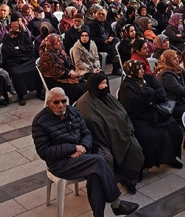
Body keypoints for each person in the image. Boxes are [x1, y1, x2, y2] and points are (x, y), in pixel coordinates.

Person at [32, 87, 140, 217]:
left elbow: (86, 133)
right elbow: (44, 151)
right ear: (49, 103)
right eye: (56, 102)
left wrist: (82, 146)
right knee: (99, 160)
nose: (61, 105)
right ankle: (116, 204)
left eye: (63, 101)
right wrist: (72, 148)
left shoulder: (74, 112)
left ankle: (98, 214)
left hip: (82, 156)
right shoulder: (40, 122)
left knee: (95, 175)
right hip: (60, 163)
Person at [75, 74, 145, 195]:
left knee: (134, 147)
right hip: (99, 139)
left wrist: (119, 126)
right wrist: (112, 126)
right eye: (102, 83)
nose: (106, 86)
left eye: (106, 83)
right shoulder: (85, 103)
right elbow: (92, 124)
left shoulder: (107, 97)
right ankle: (110, 185)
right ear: (94, 85)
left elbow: (121, 112)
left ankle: (129, 180)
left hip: (118, 133)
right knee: (107, 156)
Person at [118, 60, 183, 171]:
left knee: (175, 130)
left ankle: (170, 158)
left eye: (142, 68)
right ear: (132, 71)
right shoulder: (127, 86)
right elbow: (135, 103)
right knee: (150, 137)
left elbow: (161, 93)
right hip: (139, 117)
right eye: (139, 69)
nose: (143, 71)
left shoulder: (148, 78)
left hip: (156, 112)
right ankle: (145, 165)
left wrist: (148, 100)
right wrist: (151, 96)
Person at [1, 21, 45, 105]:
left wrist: (20, 48)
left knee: (35, 69)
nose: (14, 29)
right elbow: (11, 52)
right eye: (12, 27)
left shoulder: (23, 35)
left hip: (27, 59)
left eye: (16, 27)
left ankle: (39, 91)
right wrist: (22, 50)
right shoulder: (7, 39)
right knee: (17, 73)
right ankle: (21, 95)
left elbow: (29, 47)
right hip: (13, 62)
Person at [39, 33, 86, 103]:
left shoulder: (60, 51)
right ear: (51, 44)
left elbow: (70, 63)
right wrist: (70, 74)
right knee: (77, 90)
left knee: (85, 85)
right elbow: (55, 72)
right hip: (55, 81)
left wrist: (72, 70)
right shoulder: (46, 56)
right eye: (58, 42)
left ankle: (85, 107)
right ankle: (75, 108)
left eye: (60, 40)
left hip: (66, 76)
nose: (61, 43)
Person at [155, 49, 185, 122]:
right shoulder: (165, 75)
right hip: (173, 104)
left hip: (182, 100)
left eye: (177, 57)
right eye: (174, 59)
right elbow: (181, 91)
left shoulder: (176, 68)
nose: (178, 60)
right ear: (168, 61)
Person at [88, 9, 122, 75]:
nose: (101, 16)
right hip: (100, 45)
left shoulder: (107, 23)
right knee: (116, 49)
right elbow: (93, 38)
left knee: (117, 40)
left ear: (106, 16)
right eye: (99, 14)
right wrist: (103, 41)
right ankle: (116, 68)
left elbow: (112, 33)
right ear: (96, 15)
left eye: (103, 14)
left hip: (109, 42)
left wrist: (111, 37)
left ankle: (116, 59)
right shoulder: (92, 25)